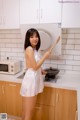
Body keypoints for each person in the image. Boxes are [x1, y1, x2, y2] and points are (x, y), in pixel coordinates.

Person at [20, 28, 60, 120]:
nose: (35, 38)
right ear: (28, 39)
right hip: (31, 82)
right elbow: (34, 67)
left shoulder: (34, 49)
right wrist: (45, 56)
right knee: (29, 112)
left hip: (33, 79)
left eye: (36, 36)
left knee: (26, 111)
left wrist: (41, 70)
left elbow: (33, 64)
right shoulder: (29, 49)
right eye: (32, 37)